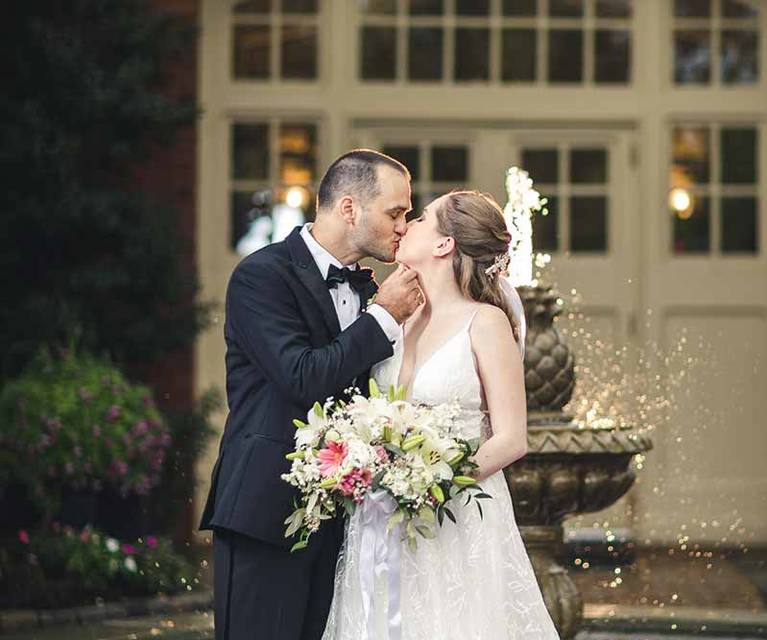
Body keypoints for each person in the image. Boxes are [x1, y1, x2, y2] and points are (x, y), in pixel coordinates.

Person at [199, 149, 423, 640]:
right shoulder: (262, 276)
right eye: (395, 212)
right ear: (349, 208)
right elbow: (302, 376)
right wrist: (383, 318)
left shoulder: (371, 291)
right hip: (265, 511)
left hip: (347, 521)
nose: (404, 225)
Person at [322, 191, 560, 639]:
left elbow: (512, 438)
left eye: (421, 218)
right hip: (381, 519)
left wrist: (432, 485)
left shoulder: (485, 322)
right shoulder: (394, 320)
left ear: (443, 245)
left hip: (457, 518)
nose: (406, 224)